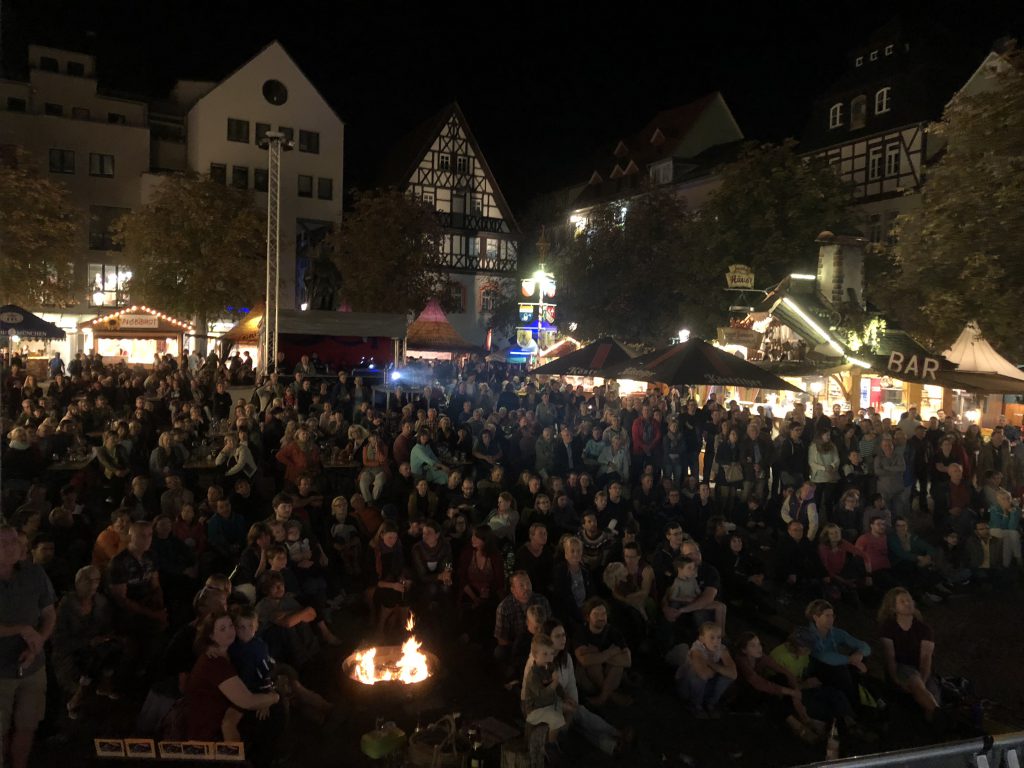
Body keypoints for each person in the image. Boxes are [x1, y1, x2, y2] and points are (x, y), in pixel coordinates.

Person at [184, 610, 281, 762]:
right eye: (222, 629)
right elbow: (247, 701)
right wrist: (274, 697)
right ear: (211, 636)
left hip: (227, 707)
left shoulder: (230, 650)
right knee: (276, 709)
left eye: (230, 626)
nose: (230, 631)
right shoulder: (215, 662)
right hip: (211, 726)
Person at [0, 525, 57, 768]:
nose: (12, 547)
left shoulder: (34, 573)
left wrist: (38, 642)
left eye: (14, 542)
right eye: (3, 543)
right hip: (0, 670)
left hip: (33, 666)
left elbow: (49, 613)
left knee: (27, 724)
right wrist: (21, 629)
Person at [51, 565, 121, 719]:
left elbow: (107, 628)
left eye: (96, 580)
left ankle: (101, 684)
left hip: (96, 647)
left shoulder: (101, 603)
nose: (93, 584)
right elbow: (59, 638)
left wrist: (103, 638)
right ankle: (80, 693)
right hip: (71, 649)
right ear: (78, 582)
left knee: (110, 648)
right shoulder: (67, 605)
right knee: (96, 653)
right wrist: (88, 641)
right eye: (88, 580)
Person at [733, 632, 821, 743]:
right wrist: (790, 692)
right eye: (753, 645)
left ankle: (801, 717)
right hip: (743, 694)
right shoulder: (741, 661)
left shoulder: (760, 657)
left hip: (759, 689)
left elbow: (784, 672)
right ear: (744, 650)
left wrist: (795, 692)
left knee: (782, 678)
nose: (759, 648)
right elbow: (757, 682)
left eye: (759, 644)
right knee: (768, 694)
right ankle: (795, 724)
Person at [877, 588, 940, 721]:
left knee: (932, 696)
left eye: (909, 600)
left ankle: (934, 726)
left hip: (921, 670)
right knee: (913, 678)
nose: (908, 603)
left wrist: (923, 680)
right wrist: (895, 679)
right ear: (893, 608)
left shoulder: (924, 629)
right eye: (902, 601)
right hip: (901, 667)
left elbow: (926, 658)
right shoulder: (888, 628)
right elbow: (890, 657)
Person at [805, 599, 871, 711]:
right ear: (816, 617)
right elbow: (823, 656)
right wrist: (850, 660)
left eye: (832, 616)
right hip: (817, 667)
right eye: (827, 616)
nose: (831, 619)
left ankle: (860, 696)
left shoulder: (836, 632)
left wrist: (859, 654)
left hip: (837, 664)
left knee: (860, 661)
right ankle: (854, 704)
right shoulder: (809, 635)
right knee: (841, 671)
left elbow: (865, 646)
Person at [573, 598, 632, 706]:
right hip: (589, 679)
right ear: (588, 617)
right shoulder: (581, 632)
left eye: (603, 613)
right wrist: (609, 652)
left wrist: (596, 654)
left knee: (617, 665)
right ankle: (611, 696)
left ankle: (602, 697)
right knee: (593, 664)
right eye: (596, 614)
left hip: (608, 675)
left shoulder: (613, 632)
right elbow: (584, 660)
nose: (601, 617)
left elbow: (627, 661)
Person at [677, 622, 736, 719]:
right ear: (702, 639)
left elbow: (733, 674)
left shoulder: (721, 648)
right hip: (687, 687)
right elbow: (703, 674)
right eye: (712, 637)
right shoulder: (697, 649)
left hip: (706, 683)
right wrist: (719, 669)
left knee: (727, 676)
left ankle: (710, 704)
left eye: (718, 637)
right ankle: (695, 705)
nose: (716, 641)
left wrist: (709, 663)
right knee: (696, 673)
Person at [494, 572, 551, 661]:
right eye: (521, 585)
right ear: (513, 590)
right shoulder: (504, 607)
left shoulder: (541, 600)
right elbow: (502, 638)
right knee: (500, 652)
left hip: (540, 642)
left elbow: (550, 625)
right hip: (516, 646)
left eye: (528, 583)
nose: (526, 588)